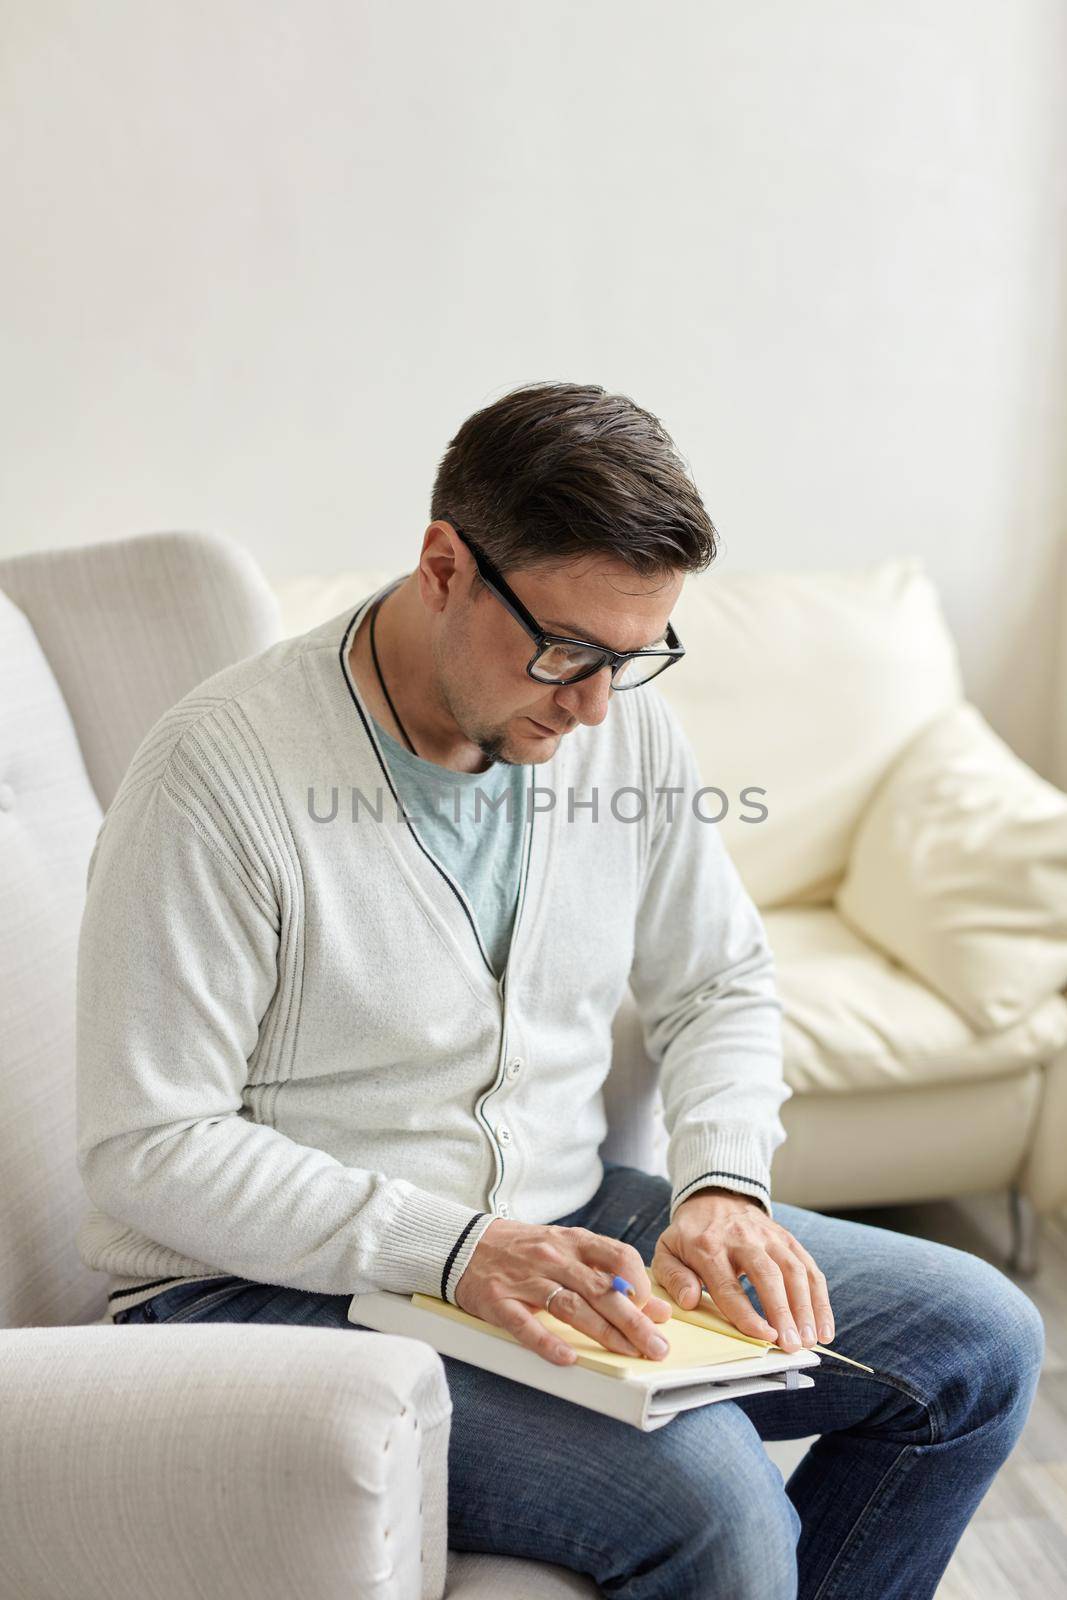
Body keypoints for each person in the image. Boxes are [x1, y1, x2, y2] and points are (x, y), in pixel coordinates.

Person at [76, 381, 1043, 1600]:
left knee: (978, 1341)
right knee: (714, 1502)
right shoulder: (219, 775)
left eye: (631, 659)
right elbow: (147, 1146)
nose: (591, 704)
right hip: (264, 1292)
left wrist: (723, 1182)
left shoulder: (608, 727)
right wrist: (455, 1246)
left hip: (555, 1224)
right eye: (566, 649)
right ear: (443, 566)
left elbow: (720, 978)